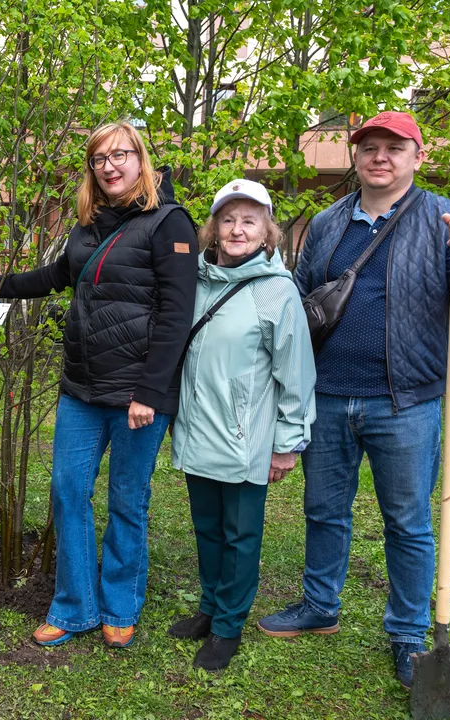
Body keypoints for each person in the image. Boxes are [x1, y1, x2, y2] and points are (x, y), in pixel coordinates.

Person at [257, 111, 450, 689]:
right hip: (327, 396)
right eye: (369, 147)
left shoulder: (448, 219)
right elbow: (300, 297)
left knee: (407, 522)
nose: (380, 157)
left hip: (406, 400)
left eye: (394, 148)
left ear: (418, 157)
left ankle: (409, 633)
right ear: (356, 156)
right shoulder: (327, 222)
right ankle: (319, 605)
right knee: (324, 509)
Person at [0, 121, 198, 649]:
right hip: (81, 388)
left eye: (119, 155)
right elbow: (59, 274)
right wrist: (2, 283)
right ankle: (75, 606)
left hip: (138, 395)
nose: (109, 166)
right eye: (99, 159)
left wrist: (149, 392)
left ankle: (120, 606)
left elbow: (177, 315)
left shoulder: (169, 222)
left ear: (140, 159)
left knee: (127, 499)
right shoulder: (87, 224)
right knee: (68, 491)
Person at [168, 179, 316, 670]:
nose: (237, 229)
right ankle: (209, 609)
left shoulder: (277, 291)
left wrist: (287, 443)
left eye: (249, 221)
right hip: (198, 430)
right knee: (207, 530)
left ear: (267, 231)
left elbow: (295, 372)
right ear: (213, 228)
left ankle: (228, 626)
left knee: (239, 536)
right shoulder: (195, 281)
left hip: (245, 439)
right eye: (228, 220)